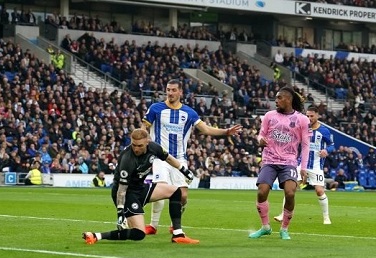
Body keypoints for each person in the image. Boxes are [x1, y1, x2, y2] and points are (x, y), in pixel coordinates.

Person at [142, 79, 242, 235]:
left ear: (180, 92)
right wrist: (145, 143)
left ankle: (174, 224)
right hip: (160, 157)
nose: (170, 93)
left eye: (174, 90)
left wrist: (225, 131)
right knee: (161, 188)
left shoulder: (189, 113)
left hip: (179, 159)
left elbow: (205, 129)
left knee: (183, 196)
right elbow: (144, 128)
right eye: (168, 90)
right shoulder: (156, 108)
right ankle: (153, 225)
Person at [82, 129, 199, 245]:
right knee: (139, 234)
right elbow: (121, 191)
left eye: (140, 145)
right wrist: (120, 214)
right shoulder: (127, 159)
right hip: (127, 194)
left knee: (175, 192)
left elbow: (168, 157)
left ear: (147, 142)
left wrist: (183, 170)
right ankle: (96, 236)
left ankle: (178, 234)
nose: (136, 148)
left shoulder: (154, 148)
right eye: (134, 145)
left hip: (141, 188)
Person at [249, 86, 311, 240]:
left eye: (279, 98)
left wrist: (303, 167)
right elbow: (261, 134)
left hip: (289, 162)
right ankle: (265, 227)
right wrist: (260, 140)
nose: (276, 101)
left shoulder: (302, 119)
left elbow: (305, 144)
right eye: (275, 98)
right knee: (262, 192)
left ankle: (284, 229)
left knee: (290, 193)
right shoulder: (269, 116)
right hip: (269, 160)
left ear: (288, 99)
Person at [274, 106, 335, 225]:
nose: (309, 118)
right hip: (301, 164)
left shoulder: (324, 131)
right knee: (290, 189)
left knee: (319, 191)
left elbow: (332, 145)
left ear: (317, 115)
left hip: (316, 166)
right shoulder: (302, 128)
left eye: (311, 116)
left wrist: (326, 151)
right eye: (307, 116)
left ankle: (326, 217)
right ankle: (283, 214)